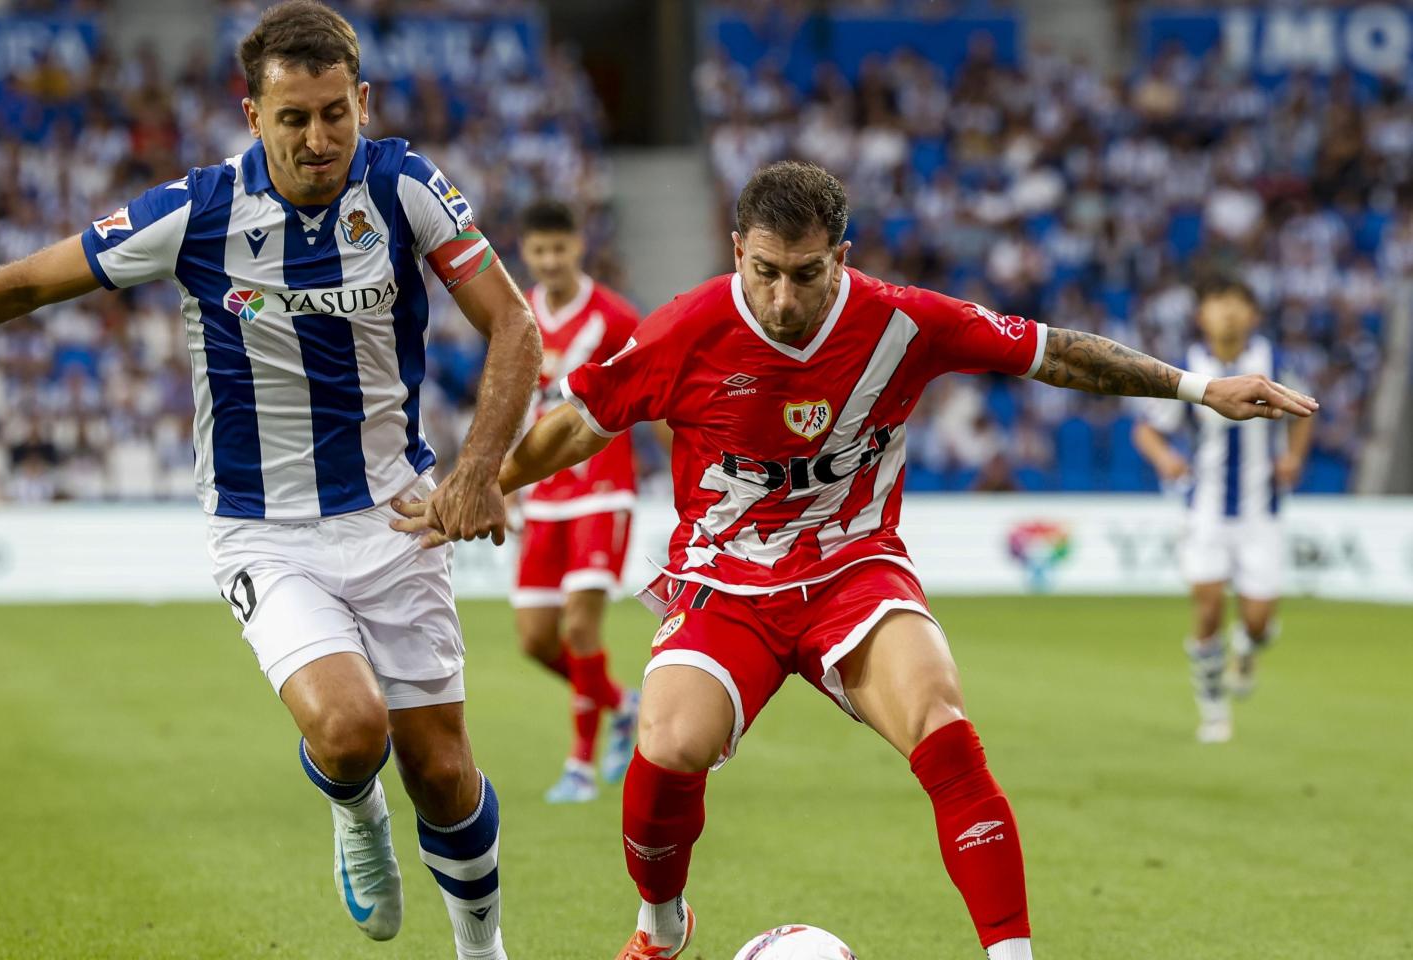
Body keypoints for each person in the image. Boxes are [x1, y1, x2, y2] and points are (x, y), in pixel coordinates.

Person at [0, 4, 541, 958]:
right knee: (350, 731)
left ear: (364, 103)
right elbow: (25, 283)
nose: (317, 138)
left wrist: (476, 471)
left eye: (336, 113)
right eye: (293, 117)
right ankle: (356, 814)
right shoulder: (197, 213)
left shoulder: (406, 188)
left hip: (397, 517)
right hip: (265, 531)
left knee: (445, 772)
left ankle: (481, 948)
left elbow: (515, 325)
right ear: (251, 114)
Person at [394, 161, 1317, 960]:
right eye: (763, 273)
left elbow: (1059, 355)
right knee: (669, 746)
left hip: (853, 573)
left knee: (944, 723)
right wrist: (483, 484)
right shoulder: (687, 329)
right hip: (726, 582)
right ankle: (663, 926)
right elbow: (573, 426)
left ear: (842, 255)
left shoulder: (904, 321)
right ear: (735, 250)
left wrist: (1198, 388)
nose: (784, 300)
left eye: (806, 274)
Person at [1132, 278, 1311, 743]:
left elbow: (1306, 412)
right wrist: (1166, 458)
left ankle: (1248, 649)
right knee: (1208, 611)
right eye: (1218, 303)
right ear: (1202, 316)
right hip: (1205, 512)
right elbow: (1148, 430)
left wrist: (1292, 457)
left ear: (1253, 316)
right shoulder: (1188, 370)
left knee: (1257, 622)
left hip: (1261, 513)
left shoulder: (1272, 363)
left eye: (1238, 304)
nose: (1228, 312)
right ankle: (1213, 710)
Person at [513, 199, 642, 803]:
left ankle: (580, 766)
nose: (549, 260)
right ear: (526, 253)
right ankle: (622, 705)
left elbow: (652, 393)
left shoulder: (615, 318)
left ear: (578, 247)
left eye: (559, 248)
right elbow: (515, 403)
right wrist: (503, 479)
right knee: (537, 638)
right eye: (539, 250)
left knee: (582, 626)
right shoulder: (518, 314)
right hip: (543, 493)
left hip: (602, 488)